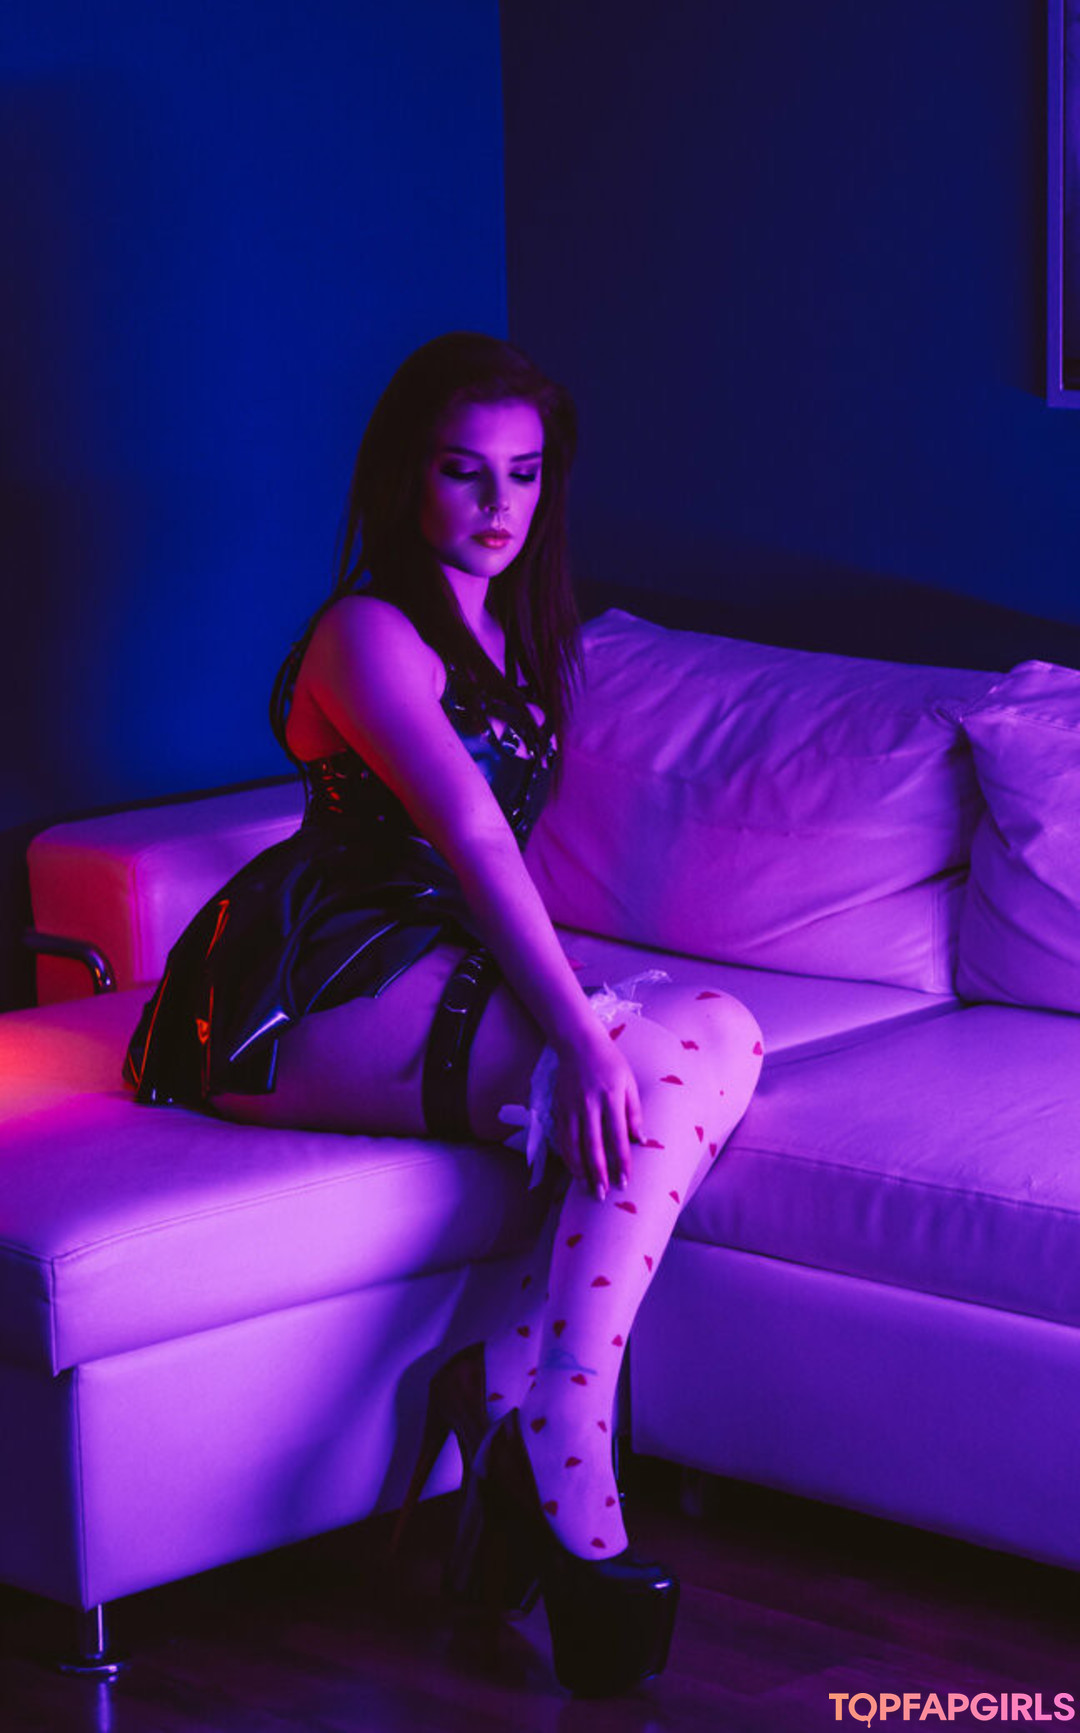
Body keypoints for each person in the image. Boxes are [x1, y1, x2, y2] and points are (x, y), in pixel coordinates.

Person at [122, 331, 765, 1696]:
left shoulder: (511, 628)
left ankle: (509, 1374)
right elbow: (472, 836)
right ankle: (564, 1428)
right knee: (637, 1062)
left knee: (721, 1029)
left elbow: (492, 868)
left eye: (524, 475)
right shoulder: (368, 629)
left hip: (430, 953)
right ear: (405, 477)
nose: (498, 505)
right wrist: (580, 1031)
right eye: (465, 471)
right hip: (305, 981)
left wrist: (591, 1018)